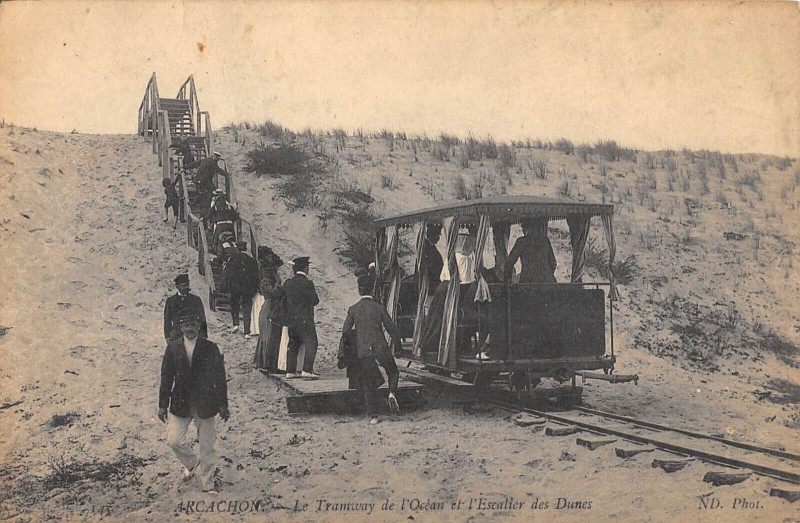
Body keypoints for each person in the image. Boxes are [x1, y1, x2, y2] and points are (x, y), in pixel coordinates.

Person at [158, 309, 229, 494]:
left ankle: (208, 484)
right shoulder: (173, 348)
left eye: (193, 325)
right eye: (186, 325)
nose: (190, 329)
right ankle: (194, 464)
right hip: (180, 402)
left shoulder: (210, 347)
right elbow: (166, 377)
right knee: (174, 440)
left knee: (207, 446)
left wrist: (223, 404)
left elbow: (219, 378)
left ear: (199, 326)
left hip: (206, 402)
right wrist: (162, 404)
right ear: (180, 327)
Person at [339, 273, 401, 424]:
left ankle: (373, 416)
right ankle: (392, 393)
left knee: (368, 382)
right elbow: (391, 328)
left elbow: (345, 331)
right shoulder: (378, 308)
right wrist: (398, 344)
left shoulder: (353, 309)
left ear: (359, 291)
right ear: (373, 290)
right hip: (380, 346)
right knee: (393, 371)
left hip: (364, 349)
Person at [283, 256, 320, 379]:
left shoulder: (288, 283)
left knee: (293, 344)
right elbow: (315, 301)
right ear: (305, 268)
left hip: (291, 319)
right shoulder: (308, 283)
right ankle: (307, 369)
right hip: (305, 318)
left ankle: (290, 371)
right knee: (312, 343)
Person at [253, 248, 285, 372]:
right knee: (269, 335)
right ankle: (268, 363)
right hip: (269, 308)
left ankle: (270, 363)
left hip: (273, 307)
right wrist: (279, 284)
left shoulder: (269, 280)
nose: (276, 272)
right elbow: (273, 293)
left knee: (272, 334)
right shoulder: (266, 281)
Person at [221, 241, 260, 337]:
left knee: (234, 305)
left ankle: (236, 324)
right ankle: (247, 331)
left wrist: (225, 286)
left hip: (235, 287)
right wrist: (255, 288)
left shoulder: (232, 259)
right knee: (247, 308)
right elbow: (256, 276)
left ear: (237, 248)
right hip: (247, 288)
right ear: (245, 249)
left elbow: (227, 274)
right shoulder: (252, 260)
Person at [504, 219, 557, 284]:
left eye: (523, 228)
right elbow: (553, 263)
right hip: (547, 282)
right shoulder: (545, 240)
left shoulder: (521, 241)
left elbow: (509, 262)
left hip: (528, 282)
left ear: (527, 229)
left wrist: (507, 280)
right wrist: (546, 274)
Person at [163, 273, 208, 341]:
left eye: (187, 285)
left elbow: (202, 318)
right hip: (177, 335)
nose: (186, 288)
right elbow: (167, 320)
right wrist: (167, 337)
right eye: (183, 286)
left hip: (193, 333)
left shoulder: (196, 299)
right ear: (177, 286)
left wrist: (204, 335)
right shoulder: (171, 301)